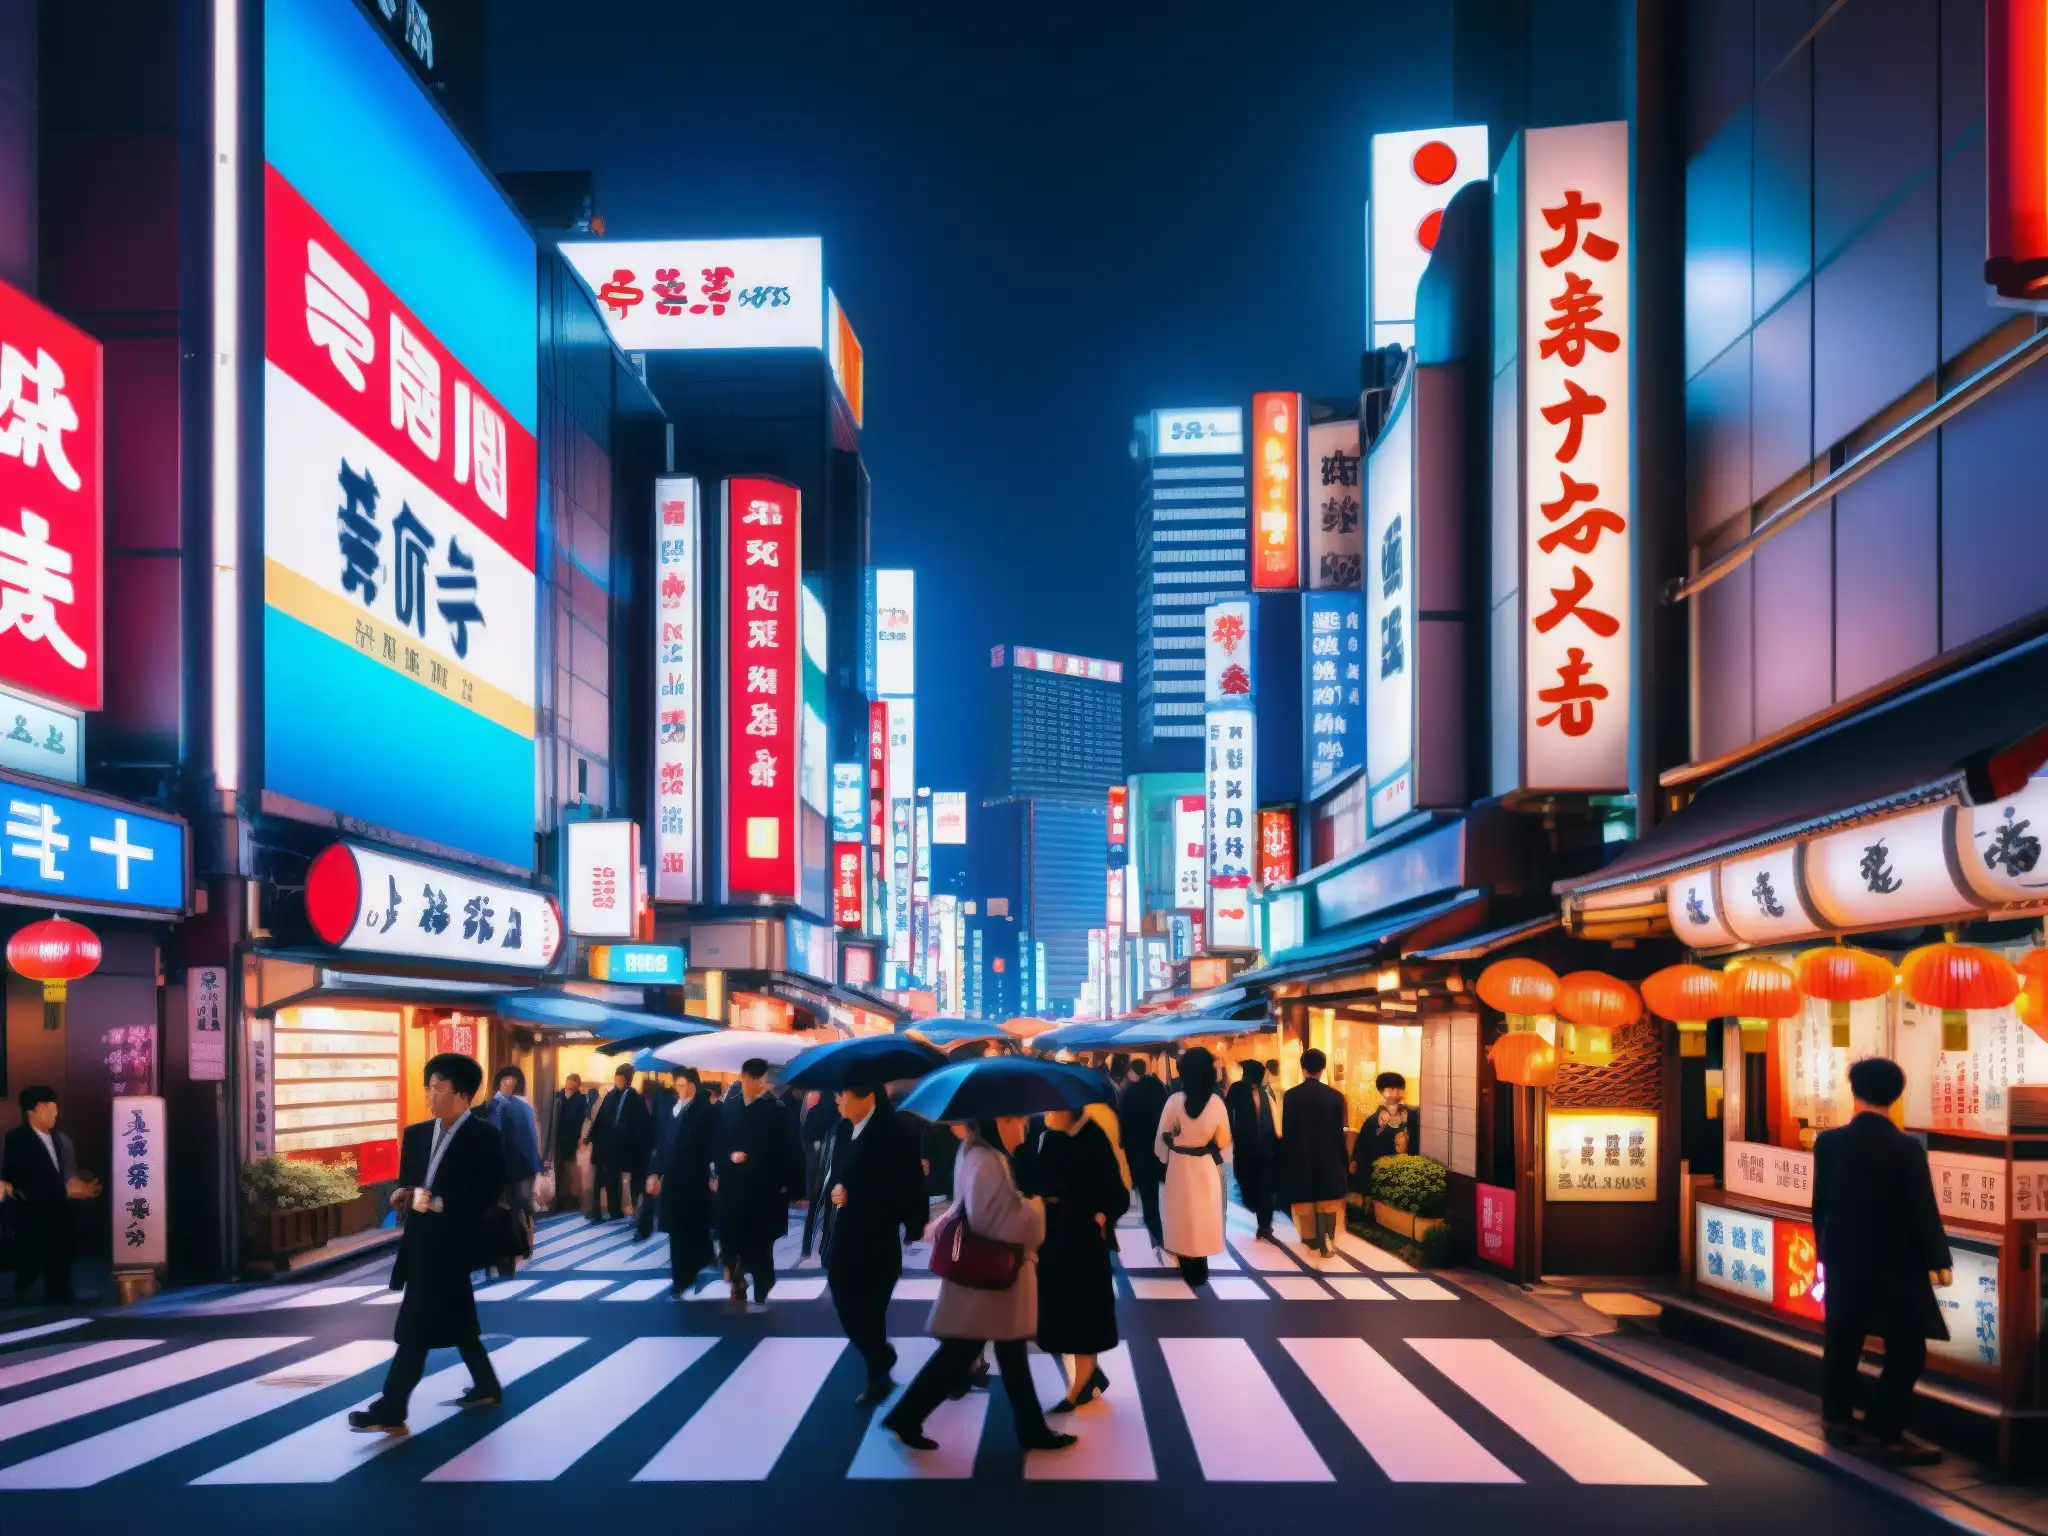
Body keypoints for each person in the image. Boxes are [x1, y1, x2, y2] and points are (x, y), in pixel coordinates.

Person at [882, 1119, 1075, 1454]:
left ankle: (1030, 1428)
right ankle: (907, 1415)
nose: (1019, 1125)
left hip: (988, 1274)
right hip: (992, 1274)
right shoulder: (987, 1160)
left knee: (1006, 1350)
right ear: (996, 1120)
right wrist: (1033, 1213)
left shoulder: (977, 1153)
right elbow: (990, 1220)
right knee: (965, 1351)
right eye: (1012, 1119)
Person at [350, 1054, 505, 1433]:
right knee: (459, 1323)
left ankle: (392, 1406)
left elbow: (486, 1194)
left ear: (463, 1095)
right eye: (428, 1088)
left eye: (438, 1089)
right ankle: (486, 1385)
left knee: (415, 1327)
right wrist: (400, 1194)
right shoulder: (417, 1133)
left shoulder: (483, 1137)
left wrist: (435, 1202)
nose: (430, 1096)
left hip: (453, 1244)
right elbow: (406, 1180)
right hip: (420, 1241)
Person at [1813, 1057, 1952, 1464]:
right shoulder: (1904, 1147)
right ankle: (1884, 1431)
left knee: (1842, 1339)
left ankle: (1837, 1416)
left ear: (1853, 1090)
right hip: (1896, 1264)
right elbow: (1921, 1209)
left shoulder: (1829, 1143)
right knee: (1907, 1349)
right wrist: (1937, 1258)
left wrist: (1825, 1253)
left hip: (1843, 1259)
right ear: (1897, 1095)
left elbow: (1820, 1205)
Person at [819, 1073, 926, 1403]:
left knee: (870, 1309)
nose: (837, 1100)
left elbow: (905, 1187)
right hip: (844, 1237)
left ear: (864, 1096)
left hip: (877, 1239)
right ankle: (879, 1356)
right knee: (844, 1300)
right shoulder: (843, 1129)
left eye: (841, 1093)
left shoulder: (893, 1133)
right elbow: (837, 1179)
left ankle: (877, 1376)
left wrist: (913, 1224)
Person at [1030, 1103, 1130, 1412]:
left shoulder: (1093, 1139)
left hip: (1084, 1241)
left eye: (1054, 1111)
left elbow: (1117, 1194)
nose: (1047, 1115)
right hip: (1055, 1238)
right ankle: (1092, 1375)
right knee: (1060, 1312)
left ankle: (1080, 1387)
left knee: (1083, 1311)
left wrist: (1101, 1215)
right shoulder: (1050, 1137)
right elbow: (1038, 1179)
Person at [714, 1058, 805, 1310]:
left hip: (764, 1189)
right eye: (756, 1081)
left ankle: (762, 1283)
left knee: (761, 1242)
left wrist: (792, 1185)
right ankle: (737, 1281)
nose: (761, 1086)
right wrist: (725, 1160)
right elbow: (718, 1143)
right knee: (730, 1239)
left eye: (763, 1081)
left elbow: (790, 1149)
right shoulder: (729, 1109)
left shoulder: (776, 1110)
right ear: (744, 1079)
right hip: (732, 1187)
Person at [1, 1086, 101, 1302]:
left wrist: (77, 1186)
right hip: (33, 1208)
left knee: (62, 1246)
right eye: (48, 1108)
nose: (54, 1113)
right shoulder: (17, 1139)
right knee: (37, 1249)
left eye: (55, 1108)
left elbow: (67, 1170)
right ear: (32, 1111)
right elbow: (21, 1177)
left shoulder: (60, 1138)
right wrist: (62, 1190)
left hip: (62, 1207)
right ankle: (34, 1285)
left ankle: (57, 1288)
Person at [1154, 1046, 1232, 1288]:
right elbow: (1224, 1140)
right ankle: (1201, 1266)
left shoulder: (1174, 1101)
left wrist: (1169, 1151)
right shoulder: (1216, 1103)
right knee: (1202, 1216)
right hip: (1204, 1166)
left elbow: (1161, 1139)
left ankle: (1187, 1264)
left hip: (1179, 1165)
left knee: (1181, 1216)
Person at [645, 1067, 717, 1297]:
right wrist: (655, 1172)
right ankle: (680, 1277)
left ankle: (693, 1266)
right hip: (674, 1180)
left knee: (692, 1228)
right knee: (677, 1231)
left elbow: (712, 1145)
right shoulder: (670, 1110)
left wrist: (715, 1172)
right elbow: (661, 1144)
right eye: (678, 1085)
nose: (682, 1089)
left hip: (695, 1179)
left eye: (686, 1085)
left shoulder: (703, 1112)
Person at [1279, 1047, 1349, 1256]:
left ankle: (1310, 1239)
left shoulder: (1291, 1096)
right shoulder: (1336, 1097)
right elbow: (1341, 1131)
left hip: (1302, 1156)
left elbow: (1288, 1132)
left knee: (1307, 1199)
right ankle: (1326, 1238)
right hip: (1329, 1156)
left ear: (1302, 1069)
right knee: (1327, 1199)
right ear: (1322, 1069)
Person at [480, 1065, 542, 1277]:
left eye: (512, 1081)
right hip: (502, 1167)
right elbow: (492, 1134)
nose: (509, 1084)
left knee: (520, 1206)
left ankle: (520, 1248)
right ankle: (510, 1252)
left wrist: (535, 1163)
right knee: (506, 1209)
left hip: (522, 1166)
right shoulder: (492, 1106)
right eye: (505, 1080)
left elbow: (532, 1136)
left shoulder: (522, 1106)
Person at [1117, 1056, 1168, 1258]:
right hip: (1159, 1150)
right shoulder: (1159, 1089)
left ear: (1132, 1071)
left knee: (1147, 1194)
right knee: (1163, 1193)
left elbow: (1123, 1125)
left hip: (1138, 1152)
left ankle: (1154, 1229)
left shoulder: (1129, 1092)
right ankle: (1166, 1232)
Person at [590, 1065, 653, 1222]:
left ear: (626, 1079)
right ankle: (613, 1210)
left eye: (620, 1078)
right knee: (610, 1178)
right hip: (609, 1145)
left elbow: (642, 1125)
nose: (616, 1080)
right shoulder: (611, 1095)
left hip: (627, 1146)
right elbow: (602, 1118)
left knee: (630, 1178)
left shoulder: (633, 1097)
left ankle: (631, 1210)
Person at [1226, 1059, 1281, 1240]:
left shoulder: (1266, 1092)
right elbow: (1228, 1114)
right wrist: (1234, 1136)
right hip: (1245, 1148)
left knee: (1266, 1188)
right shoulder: (1237, 1089)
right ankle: (1258, 1213)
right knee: (1248, 1185)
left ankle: (1264, 1225)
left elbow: (1272, 1117)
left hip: (1265, 1149)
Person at [1350, 1071, 1417, 1202]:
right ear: (1381, 1091)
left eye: (1400, 1088)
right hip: (1381, 1175)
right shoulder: (1372, 1122)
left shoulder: (1412, 1115)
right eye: (1392, 1088)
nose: (1397, 1092)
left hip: (1406, 1172)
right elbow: (1363, 1150)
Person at [543, 1074, 591, 1213]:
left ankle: (571, 1199)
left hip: (571, 1140)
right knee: (557, 1170)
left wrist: (581, 1138)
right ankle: (557, 1200)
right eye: (569, 1080)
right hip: (556, 1139)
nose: (571, 1083)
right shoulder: (557, 1096)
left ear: (578, 1084)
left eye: (574, 1081)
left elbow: (584, 1118)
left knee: (570, 1172)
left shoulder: (581, 1099)